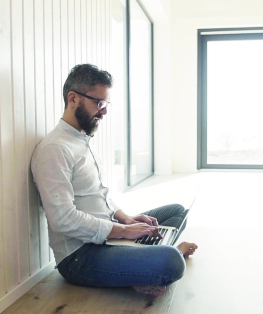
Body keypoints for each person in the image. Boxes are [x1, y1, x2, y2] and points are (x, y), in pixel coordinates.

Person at [31, 64, 197, 297]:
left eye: (106, 104)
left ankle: (141, 264)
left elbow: (100, 195)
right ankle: (161, 256)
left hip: (108, 236)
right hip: (81, 256)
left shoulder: (81, 141)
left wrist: (125, 218)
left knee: (176, 211)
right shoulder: (54, 149)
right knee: (172, 261)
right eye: (98, 102)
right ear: (73, 98)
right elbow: (62, 219)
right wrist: (123, 231)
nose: (104, 111)